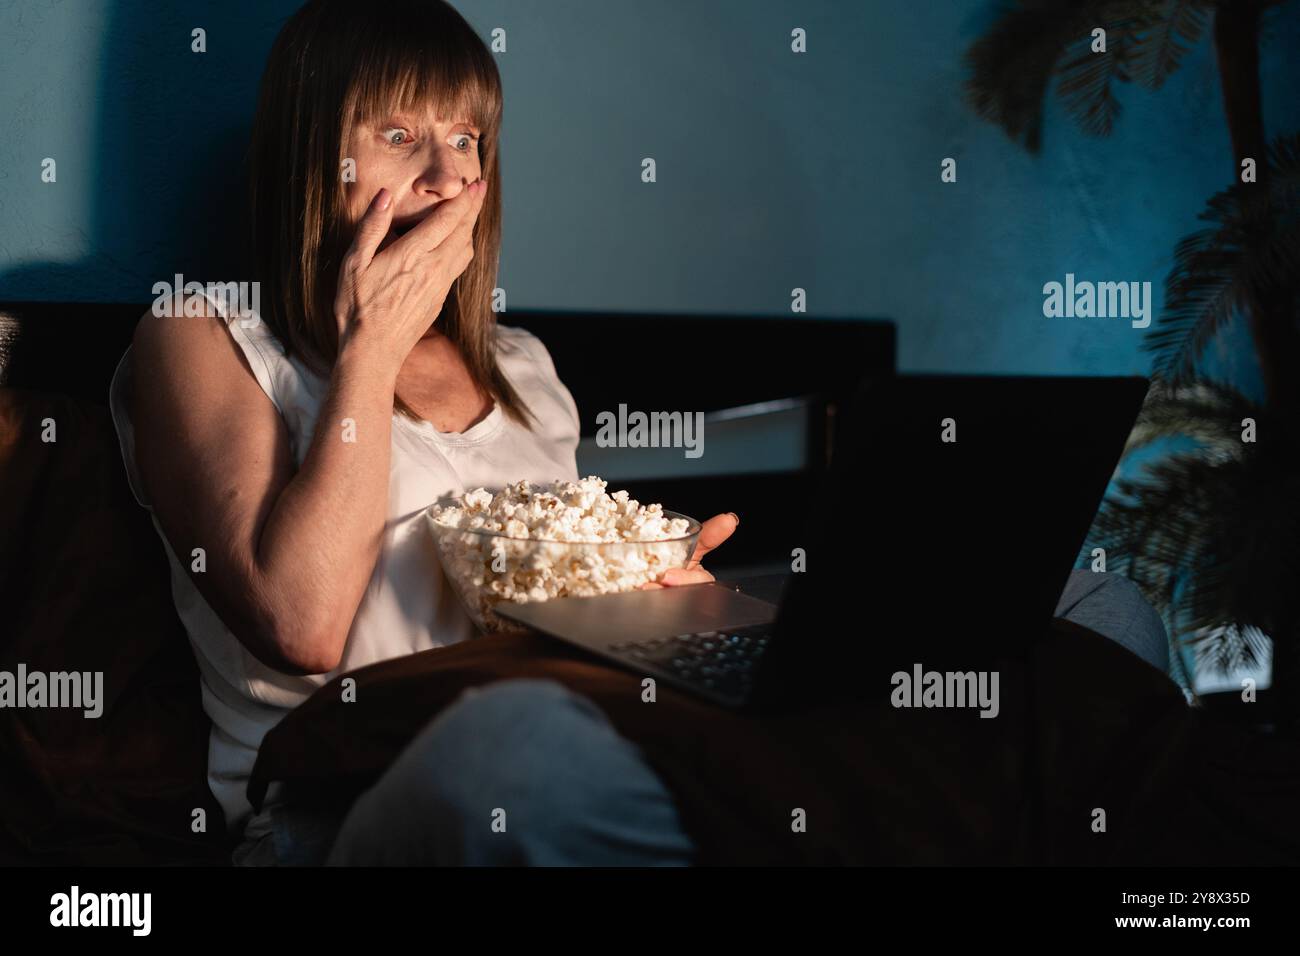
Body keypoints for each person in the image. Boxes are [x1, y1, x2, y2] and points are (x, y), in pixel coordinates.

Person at [107, 0, 1170, 867]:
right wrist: (370, 348)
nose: (444, 177)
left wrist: (653, 588)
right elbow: (299, 620)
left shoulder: (521, 368)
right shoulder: (204, 330)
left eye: (465, 138)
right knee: (521, 754)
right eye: (397, 135)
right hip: (354, 790)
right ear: (311, 152)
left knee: (1094, 599)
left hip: (600, 714)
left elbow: (536, 589)